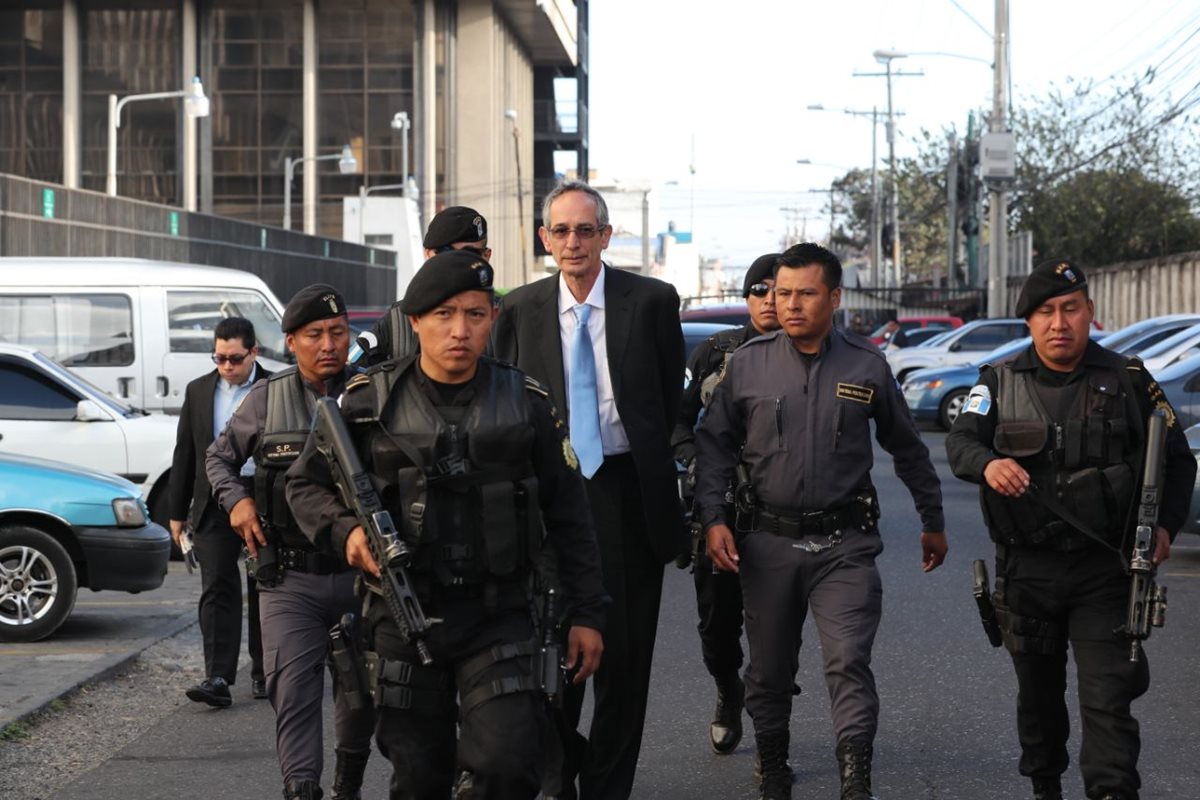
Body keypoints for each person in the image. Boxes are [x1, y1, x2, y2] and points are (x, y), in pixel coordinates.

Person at [286, 249, 608, 799]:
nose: (460, 330)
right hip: (402, 616)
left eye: (475, 314)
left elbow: (570, 514)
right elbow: (304, 485)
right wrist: (349, 533)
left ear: (493, 320)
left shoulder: (526, 402)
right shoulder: (367, 404)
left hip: (501, 614)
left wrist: (587, 614)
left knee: (507, 766)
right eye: (444, 315)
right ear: (414, 322)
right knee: (419, 777)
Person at [695, 242, 948, 800]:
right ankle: (773, 765)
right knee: (768, 670)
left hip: (845, 544)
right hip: (766, 544)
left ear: (834, 297)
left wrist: (932, 518)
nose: (790, 305)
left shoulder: (866, 366)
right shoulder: (749, 365)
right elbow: (714, 448)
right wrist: (714, 518)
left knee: (848, 659)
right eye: (782, 293)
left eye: (805, 293)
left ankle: (855, 776)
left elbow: (907, 448)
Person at [945, 259, 1197, 800]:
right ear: (1029, 323)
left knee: (1108, 697)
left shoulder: (1129, 379)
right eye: (1046, 312)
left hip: (1105, 570)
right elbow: (961, 442)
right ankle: (1045, 785)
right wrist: (988, 464)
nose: (1059, 322)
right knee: (1038, 696)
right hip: (1027, 569)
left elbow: (1177, 458)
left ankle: (1110, 791)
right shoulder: (998, 380)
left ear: (1090, 313)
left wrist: (1166, 527)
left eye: (1070, 309)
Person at [492, 180, 686, 800]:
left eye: (585, 230)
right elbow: (503, 406)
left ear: (605, 236)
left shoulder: (652, 301)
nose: (572, 242)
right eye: (560, 231)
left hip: (627, 498)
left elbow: (665, 402)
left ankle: (608, 789)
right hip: (550, 506)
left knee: (625, 671)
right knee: (551, 667)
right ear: (544, 239)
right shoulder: (519, 309)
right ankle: (559, 774)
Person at [206, 284, 375, 800]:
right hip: (289, 578)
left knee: (360, 693)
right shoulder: (267, 399)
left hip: (362, 577)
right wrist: (236, 501)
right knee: (294, 691)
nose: (328, 344)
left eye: (337, 332)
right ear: (291, 340)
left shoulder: (372, 393)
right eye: (315, 334)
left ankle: (348, 782)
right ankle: (302, 790)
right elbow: (219, 459)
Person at [670, 251, 780, 755]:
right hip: (719, 513)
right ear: (747, 297)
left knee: (774, 633)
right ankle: (727, 691)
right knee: (717, 630)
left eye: (782, 289)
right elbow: (678, 421)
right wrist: (697, 460)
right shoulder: (716, 352)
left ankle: (771, 741)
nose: (772, 300)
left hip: (785, 519)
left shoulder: (815, 354)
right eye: (761, 290)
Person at [169, 317, 270, 707]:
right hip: (213, 501)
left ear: (254, 352)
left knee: (265, 585)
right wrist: (178, 512)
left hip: (262, 497)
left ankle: (266, 672)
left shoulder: (274, 387)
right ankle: (218, 677)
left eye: (235, 359)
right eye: (219, 358)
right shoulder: (198, 391)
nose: (226, 366)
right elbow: (186, 453)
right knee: (217, 587)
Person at [357, 205, 491, 367]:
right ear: (427, 255)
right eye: (445, 253)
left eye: (469, 254)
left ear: (486, 256)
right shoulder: (398, 321)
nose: (459, 332)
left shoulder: (506, 317)